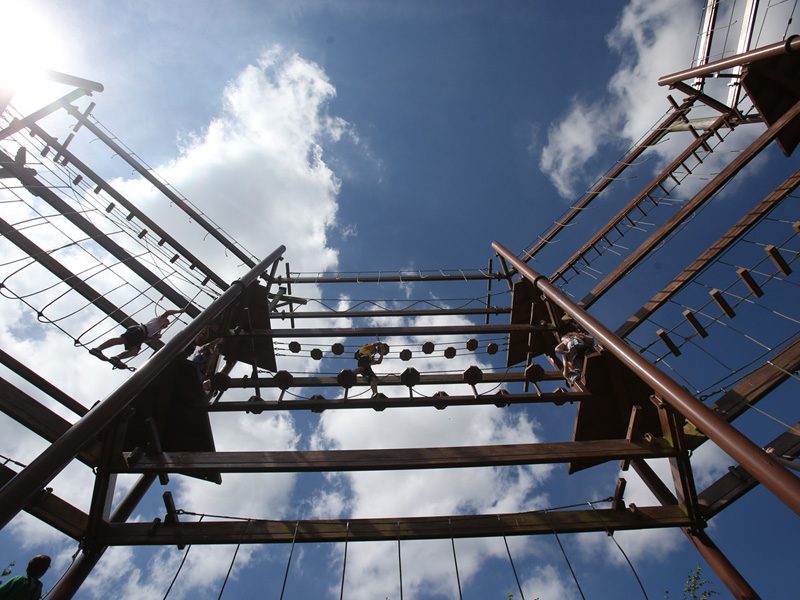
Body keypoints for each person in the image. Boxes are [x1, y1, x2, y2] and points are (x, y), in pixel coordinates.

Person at [90, 308, 184, 366]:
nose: (167, 325)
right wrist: (179, 311)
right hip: (139, 330)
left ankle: (117, 357)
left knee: (134, 351)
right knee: (121, 340)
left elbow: (146, 340)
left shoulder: (157, 329)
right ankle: (98, 349)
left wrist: (154, 338)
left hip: (141, 336)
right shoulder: (160, 319)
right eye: (167, 323)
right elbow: (168, 312)